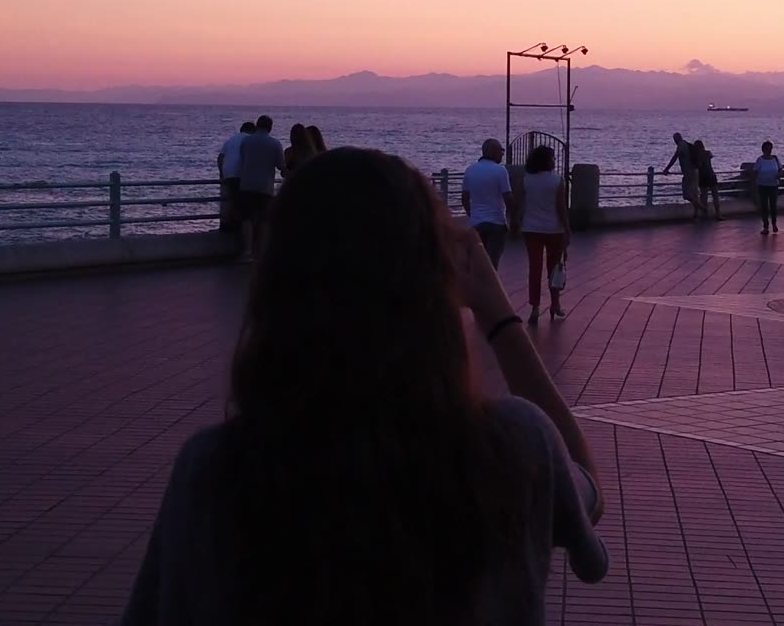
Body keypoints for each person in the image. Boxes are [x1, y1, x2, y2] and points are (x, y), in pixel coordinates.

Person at [121, 148, 608, 626]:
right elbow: (589, 522)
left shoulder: (215, 471)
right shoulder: (513, 446)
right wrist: (496, 314)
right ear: (431, 286)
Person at [521, 146, 571, 325]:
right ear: (547, 160)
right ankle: (555, 304)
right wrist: (567, 229)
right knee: (554, 269)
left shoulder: (527, 180)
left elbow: (522, 203)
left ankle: (535, 307)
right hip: (554, 229)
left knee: (534, 269)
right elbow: (561, 208)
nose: (555, 160)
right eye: (553, 157)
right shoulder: (557, 180)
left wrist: (516, 223)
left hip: (531, 229)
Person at [236, 115, 285, 263]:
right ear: (270, 127)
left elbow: (243, 159)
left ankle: (247, 252)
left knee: (247, 219)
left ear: (257, 125)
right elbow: (280, 166)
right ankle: (262, 253)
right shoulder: (275, 144)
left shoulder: (246, 141)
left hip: (247, 184)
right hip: (265, 187)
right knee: (264, 221)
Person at [461, 138, 514, 269]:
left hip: (476, 223)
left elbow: (464, 198)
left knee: (476, 261)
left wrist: (472, 214)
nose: (502, 154)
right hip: (496, 223)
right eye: (501, 150)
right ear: (494, 152)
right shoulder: (500, 171)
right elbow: (508, 198)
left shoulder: (470, 170)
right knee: (492, 263)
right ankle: (490, 286)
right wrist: (514, 219)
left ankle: (475, 286)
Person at [218, 121, 257, 232]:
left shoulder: (230, 140)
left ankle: (228, 224)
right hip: (241, 174)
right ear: (252, 131)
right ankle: (239, 227)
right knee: (243, 203)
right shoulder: (250, 140)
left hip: (228, 173)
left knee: (232, 199)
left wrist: (222, 173)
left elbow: (220, 158)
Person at [663, 132, 705, 218]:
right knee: (694, 193)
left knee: (686, 195)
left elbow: (675, 157)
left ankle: (702, 207)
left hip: (689, 172)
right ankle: (696, 213)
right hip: (695, 171)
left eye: (674, 139)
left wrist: (667, 169)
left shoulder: (681, 145)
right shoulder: (688, 145)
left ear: (676, 139)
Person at [753, 141, 781, 234]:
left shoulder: (775, 159)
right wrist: (754, 185)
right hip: (762, 186)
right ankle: (766, 226)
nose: (769, 150)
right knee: (764, 206)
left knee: (773, 206)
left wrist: (779, 174)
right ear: (763, 149)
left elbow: (780, 169)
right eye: (767, 149)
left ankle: (774, 224)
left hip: (774, 185)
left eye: (770, 149)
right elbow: (755, 172)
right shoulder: (759, 160)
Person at [694, 140, 722, 221]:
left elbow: (698, 165)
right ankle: (718, 214)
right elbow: (711, 156)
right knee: (715, 196)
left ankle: (705, 214)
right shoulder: (707, 153)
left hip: (702, 177)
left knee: (704, 197)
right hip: (711, 175)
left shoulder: (696, 156)